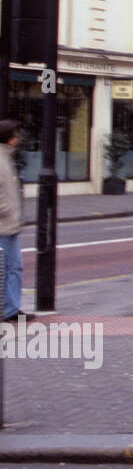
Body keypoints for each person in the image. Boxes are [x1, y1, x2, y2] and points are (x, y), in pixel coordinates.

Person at [0, 119, 29, 323]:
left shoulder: (6, 158)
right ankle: (9, 309)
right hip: (4, 225)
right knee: (9, 268)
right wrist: (7, 210)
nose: (18, 138)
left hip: (10, 225)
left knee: (13, 267)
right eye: (16, 135)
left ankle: (10, 308)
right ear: (9, 138)